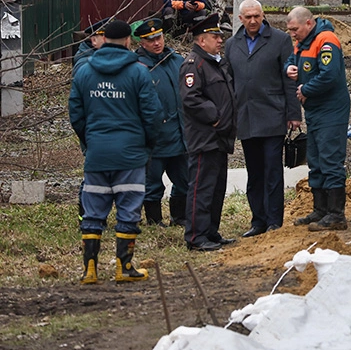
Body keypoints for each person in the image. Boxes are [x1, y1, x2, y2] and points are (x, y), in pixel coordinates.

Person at [70, 18, 162, 284]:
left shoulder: (85, 72)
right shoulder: (138, 72)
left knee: (93, 212)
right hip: (130, 154)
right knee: (128, 210)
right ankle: (124, 267)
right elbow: (152, 115)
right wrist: (145, 144)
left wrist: (90, 141)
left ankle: (90, 269)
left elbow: (76, 113)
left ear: (104, 39)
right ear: (128, 41)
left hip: (97, 154)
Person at [225, 0, 301, 237]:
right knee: (254, 172)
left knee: (272, 170)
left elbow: (289, 79)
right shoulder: (231, 44)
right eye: (248, 17)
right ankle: (257, 220)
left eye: (257, 16)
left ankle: (274, 220)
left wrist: (293, 114)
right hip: (245, 117)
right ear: (240, 19)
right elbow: (228, 82)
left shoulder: (279, 40)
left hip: (272, 114)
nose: (253, 20)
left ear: (263, 15)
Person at [285, 7, 351, 231]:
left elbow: (329, 75)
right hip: (314, 111)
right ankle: (320, 209)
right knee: (315, 160)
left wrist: (306, 89)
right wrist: (290, 69)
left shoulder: (326, 40)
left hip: (331, 110)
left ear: (309, 23)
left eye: (295, 29)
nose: (292, 34)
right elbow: (291, 60)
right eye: (290, 30)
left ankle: (336, 215)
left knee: (330, 160)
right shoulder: (302, 42)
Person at [180, 14, 237, 252]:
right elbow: (191, 98)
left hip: (219, 137)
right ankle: (196, 236)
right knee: (201, 188)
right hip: (205, 137)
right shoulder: (194, 64)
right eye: (215, 37)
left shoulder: (215, 63)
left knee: (216, 188)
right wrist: (214, 117)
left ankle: (211, 231)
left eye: (220, 36)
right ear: (201, 40)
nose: (220, 40)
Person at [134, 18, 189, 228]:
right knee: (152, 183)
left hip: (180, 133)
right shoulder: (137, 66)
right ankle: (154, 220)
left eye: (159, 37)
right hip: (155, 138)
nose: (157, 43)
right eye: (150, 40)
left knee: (184, 180)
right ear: (142, 42)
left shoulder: (176, 60)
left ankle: (179, 216)